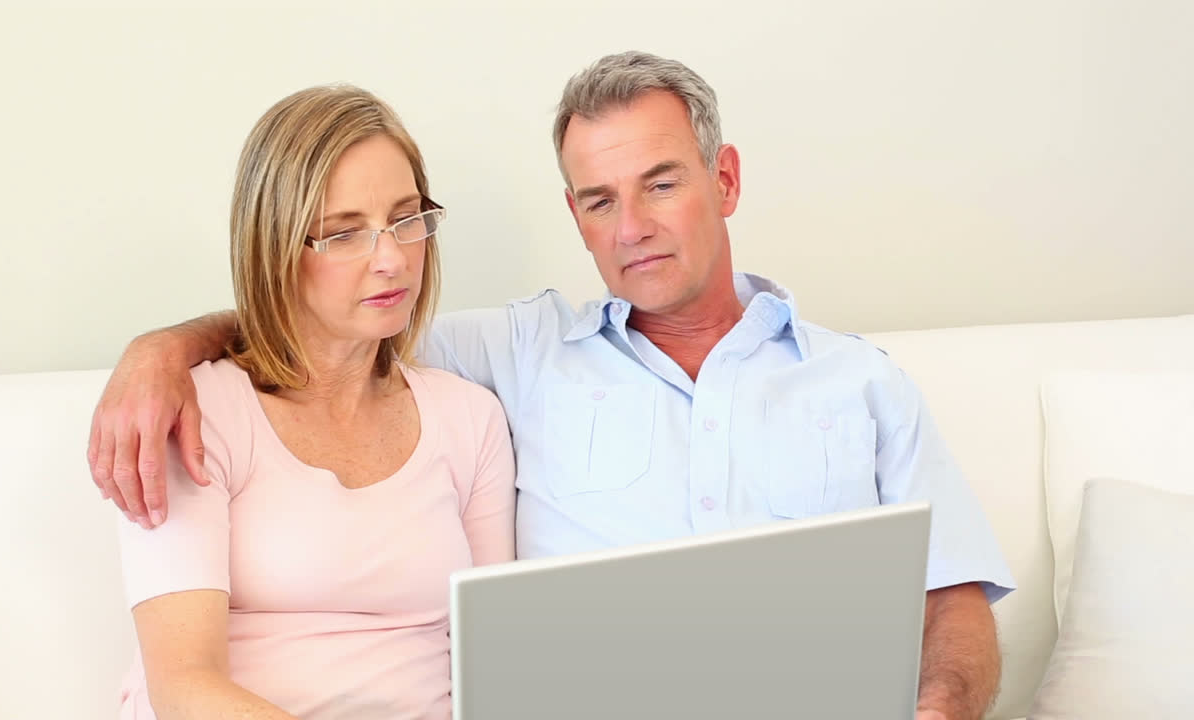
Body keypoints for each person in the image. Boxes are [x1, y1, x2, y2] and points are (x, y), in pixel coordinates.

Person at [90, 52, 1014, 720]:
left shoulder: (860, 382)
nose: (632, 227)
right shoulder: (521, 355)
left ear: (725, 180)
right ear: (575, 215)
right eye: (600, 200)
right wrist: (162, 351)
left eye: (661, 184)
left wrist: (938, 710)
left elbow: (956, 601)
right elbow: (325, 329)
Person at [110, 84, 516, 720]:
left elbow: (495, 668)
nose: (392, 259)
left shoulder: (471, 418)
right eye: (343, 234)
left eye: (407, 219)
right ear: (275, 249)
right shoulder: (197, 413)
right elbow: (183, 687)